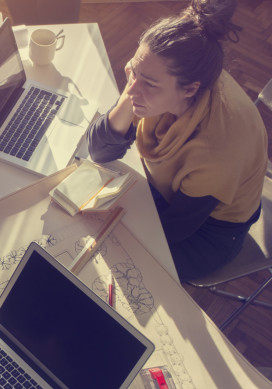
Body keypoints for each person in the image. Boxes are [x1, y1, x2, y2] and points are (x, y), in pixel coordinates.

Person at [85, 0, 268, 281]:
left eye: (148, 83)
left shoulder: (216, 148)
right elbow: (99, 151)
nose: (133, 88)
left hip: (209, 232)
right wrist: (131, 95)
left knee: (120, 263)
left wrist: (112, 226)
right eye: (133, 70)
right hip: (167, 190)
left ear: (189, 90)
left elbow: (174, 229)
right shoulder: (157, 77)